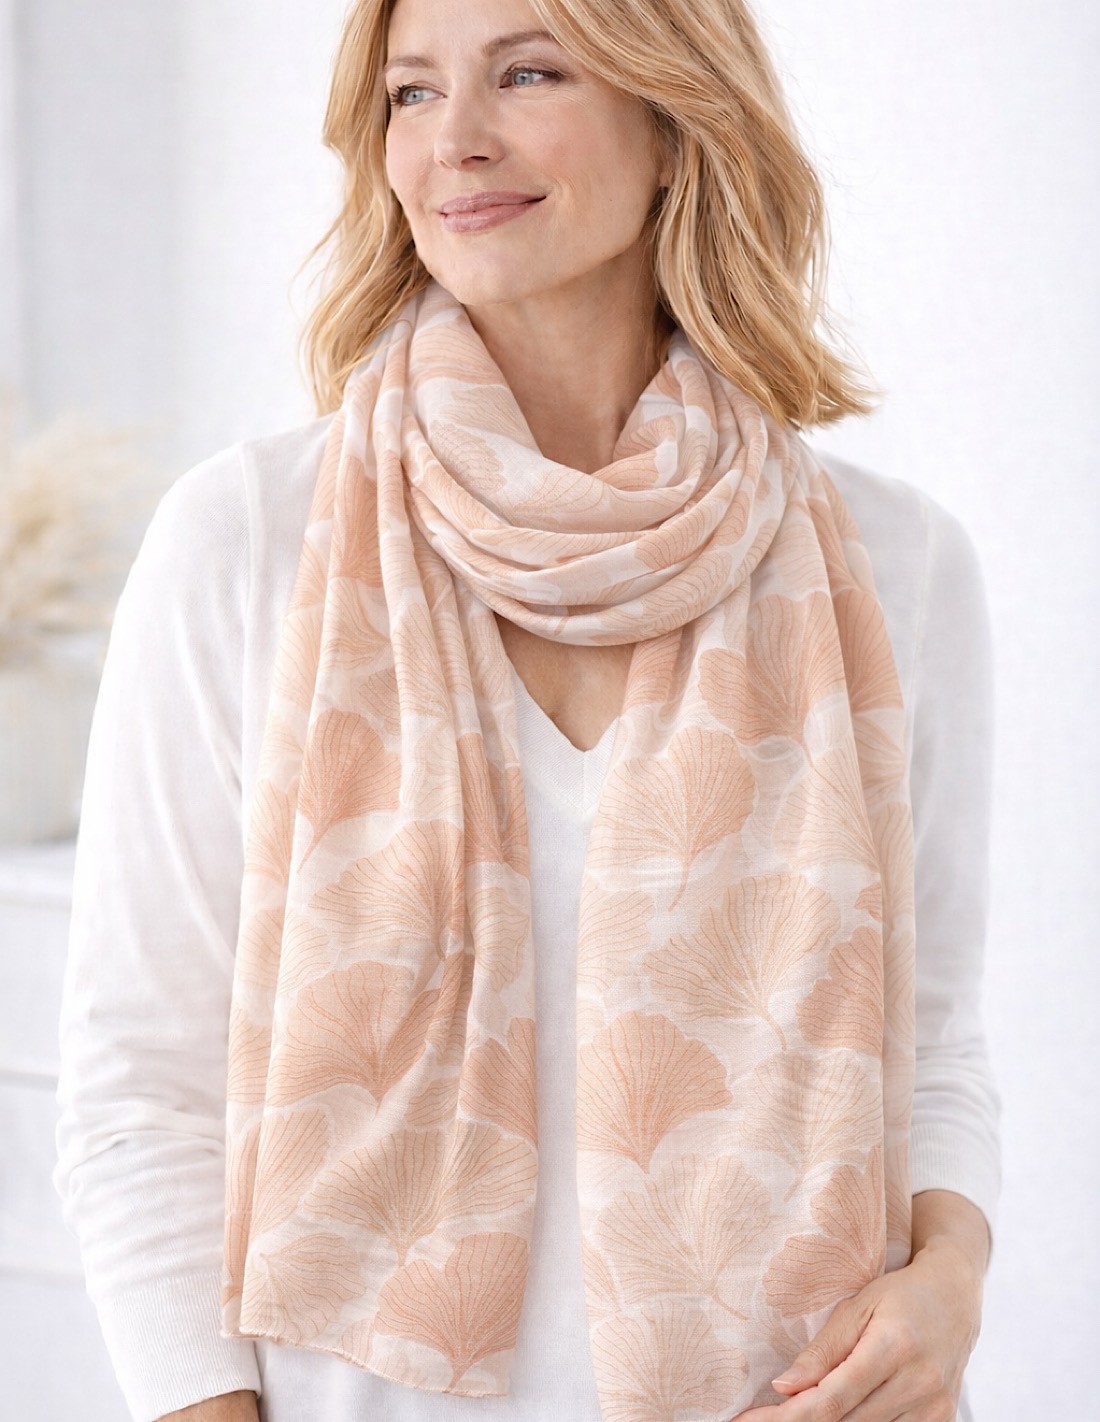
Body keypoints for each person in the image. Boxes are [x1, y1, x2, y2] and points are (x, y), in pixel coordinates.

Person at [54, 0, 1001, 1419]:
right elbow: (140, 1087)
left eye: (529, 73)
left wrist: (953, 1278)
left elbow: (934, 1044)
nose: (458, 140)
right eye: (412, 93)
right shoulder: (248, 541)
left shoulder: (896, 562)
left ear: (676, 123)